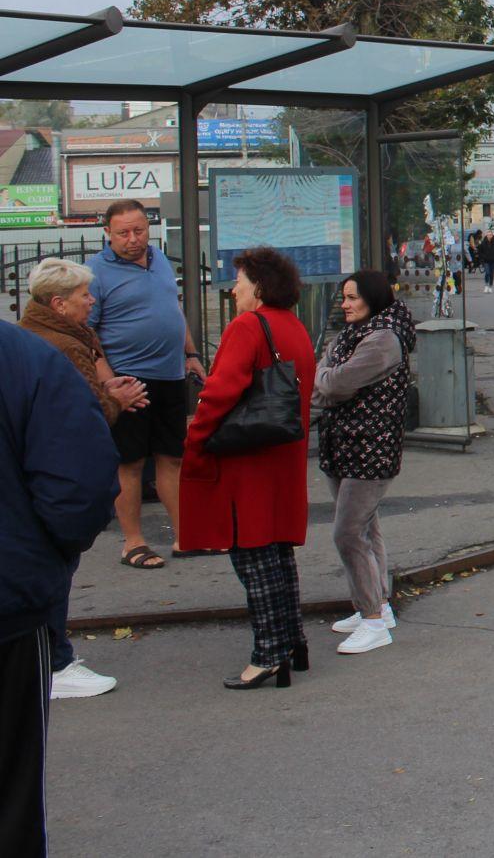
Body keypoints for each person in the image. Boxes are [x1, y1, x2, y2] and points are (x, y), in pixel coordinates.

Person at [0, 321, 119, 856]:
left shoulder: (27, 359)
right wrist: (45, 560)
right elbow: (81, 482)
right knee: (11, 790)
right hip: (9, 608)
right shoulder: (26, 359)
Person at [181, 247, 317, 689]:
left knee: (252, 554)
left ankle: (268, 654)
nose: (233, 288)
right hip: (282, 454)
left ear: (258, 287)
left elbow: (220, 392)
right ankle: (292, 643)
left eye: (239, 280)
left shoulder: (247, 326)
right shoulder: (292, 326)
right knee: (277, 552)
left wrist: (196, 436)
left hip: (249, 459)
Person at [19, 260, 147, 701]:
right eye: (84, 296)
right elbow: (78, 419)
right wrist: (116, 401)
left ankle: (47, 660)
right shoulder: (64, 346)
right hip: (53, 481)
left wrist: (108, 393)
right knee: (55, 571)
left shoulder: (35, 335)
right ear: (59, 303)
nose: (92, 301)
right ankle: (55, 664)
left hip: (34, 479)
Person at [85, 198, 204, 569]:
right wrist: (109, 383)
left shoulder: (160, 259)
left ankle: (186, 536)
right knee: (131, 462)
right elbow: (86, 333)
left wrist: (191, 354)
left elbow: (174, 310)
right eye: (123, 233)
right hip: (128, 379)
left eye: (139, 230)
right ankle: (133, 542)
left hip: (169, 374)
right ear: (107, 233)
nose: (132, 239)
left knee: (172, 457)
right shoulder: (95, 272)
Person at [314, 270, 412, 655]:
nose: (346, 304)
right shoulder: (351, 335)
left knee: (347, 531)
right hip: (343, 443)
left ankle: (373, 620)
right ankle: (376, 605)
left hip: (371, 447)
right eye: (343, 297)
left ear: (373, 298)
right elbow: (325, 378)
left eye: (353, 297)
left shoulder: (383, 339)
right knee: (366, 527)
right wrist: (328, 380)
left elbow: (334, 383)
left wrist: (327, 380)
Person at [478, 229, 494, 293]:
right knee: (487, 273)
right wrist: (482, 260)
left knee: (492, 274)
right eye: (488, 235)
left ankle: (490, 286)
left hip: (493, 261)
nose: (489, 236)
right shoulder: (483, 243)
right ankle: (486, 285)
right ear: (486, 235)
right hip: (486, 261)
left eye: (491, 235)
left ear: (492, 235)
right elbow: (480, 252)